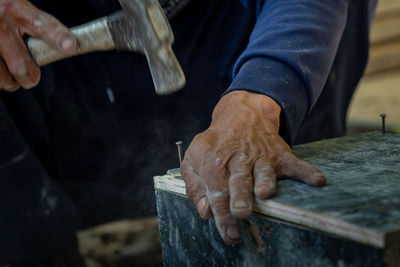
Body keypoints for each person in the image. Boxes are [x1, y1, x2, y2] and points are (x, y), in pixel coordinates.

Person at [0, 0, 376, 264]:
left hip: (236, 19)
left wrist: (262, 94)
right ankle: (32, 248)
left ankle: (300, 223)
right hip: (52, 60)